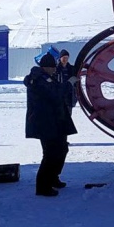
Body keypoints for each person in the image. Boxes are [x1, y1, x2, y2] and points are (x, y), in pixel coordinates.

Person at [24, 52, 77, 196]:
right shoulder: (39, 79)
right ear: (46, 67)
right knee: (50, 154)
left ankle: (53, 177)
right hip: (45, 122)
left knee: (61, 149)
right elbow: (55, 93)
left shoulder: (45, 77)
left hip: (55, 121)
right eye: (52, 67)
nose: (55, 70)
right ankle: (42, 187)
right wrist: (69, 83)